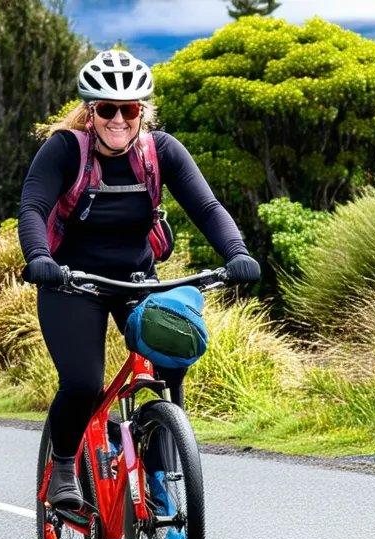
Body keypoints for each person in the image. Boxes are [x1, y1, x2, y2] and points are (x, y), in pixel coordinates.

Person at [18, 51, 261, 515]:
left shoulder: (161, 151)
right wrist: (39, 258)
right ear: (90, 113)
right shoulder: (66, 149)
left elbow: (208, 209)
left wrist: (237, 253)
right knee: (84, 383)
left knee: (172, 353)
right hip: (72, 282)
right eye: (106, 108)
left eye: (129, 109)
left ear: (142, 112)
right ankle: (65, 466)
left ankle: (159, 466)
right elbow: (32, 208)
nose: (118, 119)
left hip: (135, 280)